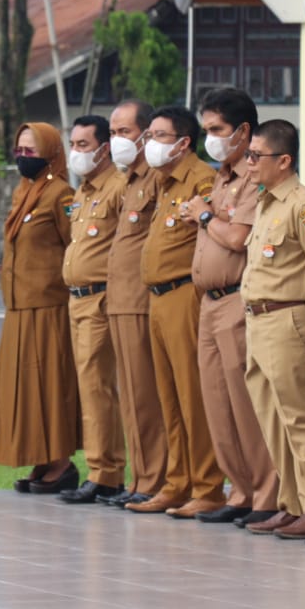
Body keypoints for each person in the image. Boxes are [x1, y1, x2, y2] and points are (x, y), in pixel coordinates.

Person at [179, 89, 278, 525]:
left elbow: (238, 238)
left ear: (243, 131)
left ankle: (265, 493)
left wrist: (202, 215)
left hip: (238, 297)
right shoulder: (221, 177)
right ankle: (238, 488)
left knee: (245, 400)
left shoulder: (254, 178)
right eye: (205, 131)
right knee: (217, 402)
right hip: (208, 301)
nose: (210, 139)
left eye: (216, 130)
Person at [126, 106, 226, 515]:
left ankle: (207, 487)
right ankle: (176, 482)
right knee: (168, 394)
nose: (149, 143)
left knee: (191, 395)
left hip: (185, 294)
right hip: (158, 298)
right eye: (148, 136)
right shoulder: (164, 182)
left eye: (158, 136)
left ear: (183, 142)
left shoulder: (201, 179)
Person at [241, 119, 305, 540]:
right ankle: (292, 503)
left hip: (289, 318)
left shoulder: (304, 206)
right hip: (258, 321)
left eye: (255, 156)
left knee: (299, 418)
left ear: (284, 160)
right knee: (272, 419)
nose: (248, 164)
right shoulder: (266, 202)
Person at [0, 121, 81, 494]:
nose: (23, 158)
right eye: (19, 151)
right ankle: (42, 458)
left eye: (31, 151)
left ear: (51, 152)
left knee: (50, 385)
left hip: (49, 307)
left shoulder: (61, 194)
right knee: (24, 388)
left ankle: (61, 462)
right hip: (19, 307)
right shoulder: (23, 191)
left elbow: (75, 247)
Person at [102, 99, 168, 507]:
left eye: (123, 132)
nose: (116, 140)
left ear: (145, 135)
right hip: (120, 300)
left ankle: (156, 479)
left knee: (147, 395)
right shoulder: (128, 181)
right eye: (112, 133)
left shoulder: (157, 179)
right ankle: (141, 478)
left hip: (142, 301)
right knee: (131, 395)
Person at [58, 115, 127, 504]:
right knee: (88, 385)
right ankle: (101, 469)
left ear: (104, 148)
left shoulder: (117, 187)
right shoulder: (83, 191)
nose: (76, 152)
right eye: (73, 144)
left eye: (83, 145)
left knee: (98, 385)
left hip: (101, 297)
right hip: (77, 298)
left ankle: (106, 473)